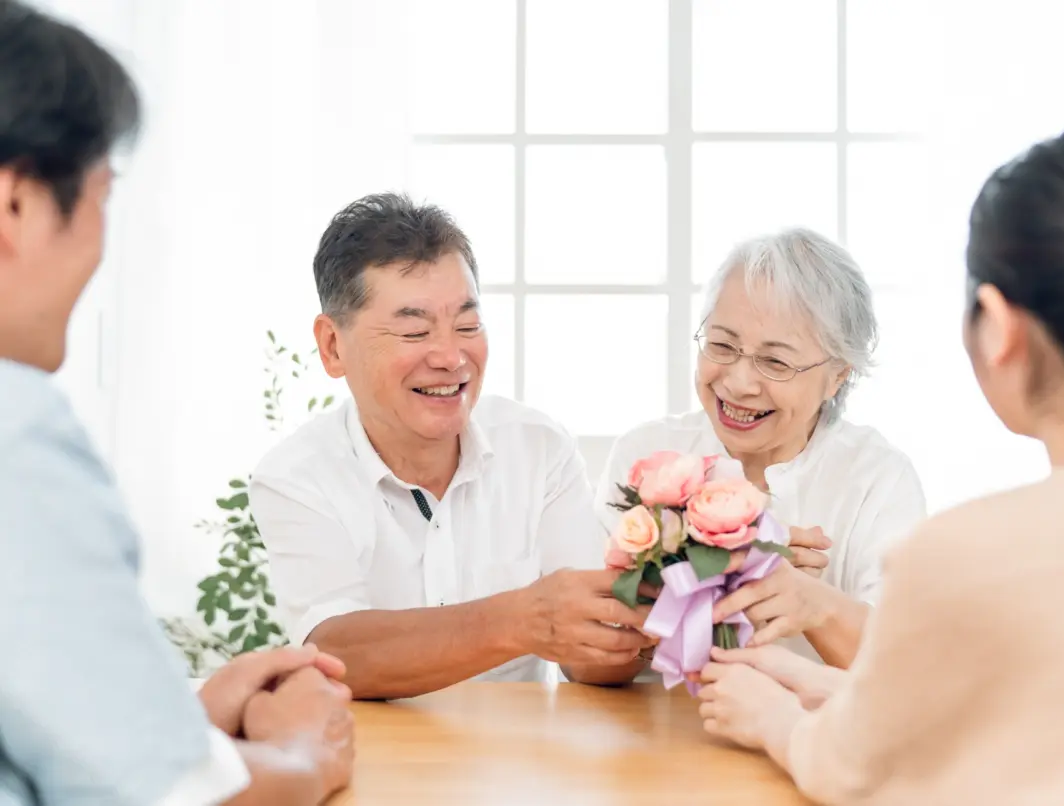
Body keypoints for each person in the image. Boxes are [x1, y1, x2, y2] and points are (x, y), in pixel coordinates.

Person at [697, 128, 1064, 804]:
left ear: (996, 325)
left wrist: (774, 721)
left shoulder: (966, 552)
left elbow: (852, 772)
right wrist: (829, 688)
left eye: (777, 360)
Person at [0, 2, 355, 804]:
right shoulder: (16, 437)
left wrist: (175, 719)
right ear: (17, 205)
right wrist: (304, 751)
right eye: (100, 196)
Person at [248, 192, 653, 700]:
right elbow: (337, 653)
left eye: (468, 325)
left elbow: (588, 660)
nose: (450, 356)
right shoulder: (295, 477)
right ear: (333, 346)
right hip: (372, 762)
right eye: (414, 330)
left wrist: (651, 615)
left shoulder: (539, 448)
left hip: (522, 764)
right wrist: (524, 620)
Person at [596, 228, 925, 668]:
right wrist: (693, 569)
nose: (738, 382)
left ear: (839, 375)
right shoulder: (648, 453)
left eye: (775, 362)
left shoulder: (877, 479)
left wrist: (809, 601)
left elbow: (903, 670)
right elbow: (584, 664)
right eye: (722, 345)